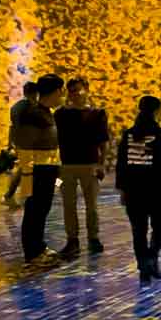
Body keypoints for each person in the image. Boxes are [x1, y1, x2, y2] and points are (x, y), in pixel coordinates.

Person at [115, 95, 161, 283]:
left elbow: (121, 165)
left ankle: (144, 264)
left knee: (138, 230)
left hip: (133, 191)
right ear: (157, 112)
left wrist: (121, 189)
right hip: (157, 191)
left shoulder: (129, 135)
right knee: (159, 226)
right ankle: (151, 258)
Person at [55, 78, 110, 257]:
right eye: (70, 91)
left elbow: (103, 142)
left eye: (77, 90)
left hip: (90, 164)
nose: (73, 94)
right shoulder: (60, 114)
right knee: (68, 205)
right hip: (67, 165)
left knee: (91, 205)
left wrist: (102, 163)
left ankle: (93, 238)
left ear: (86, 90)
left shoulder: (97, 113)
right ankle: (73, 240)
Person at [15, 75, 66, 263]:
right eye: (61, 91)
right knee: (34, 210)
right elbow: (26, 144)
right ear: (53, 92)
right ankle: (32, 252)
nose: (62, 95)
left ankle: (39, 246)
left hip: (48, 169)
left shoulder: (46, 112)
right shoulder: (34, 114)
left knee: (42, 209)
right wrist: (28, 174)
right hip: (37, 170)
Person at [3, 82, 39, 205]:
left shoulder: (16, 107)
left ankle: (13, 194)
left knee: (25, 168)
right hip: (30, 143)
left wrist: (11, 143)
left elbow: (12, 127)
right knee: (28, 168)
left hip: (21, 142)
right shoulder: (32, 107)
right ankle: (17, 195)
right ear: (35, 93)